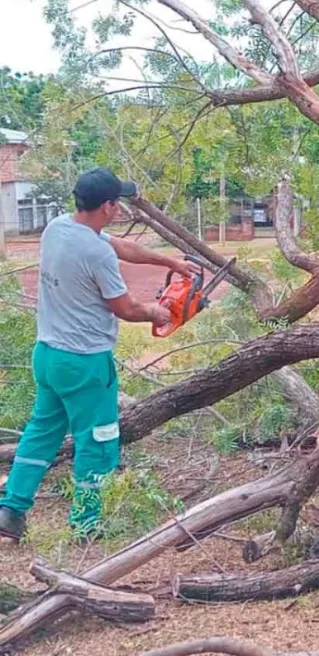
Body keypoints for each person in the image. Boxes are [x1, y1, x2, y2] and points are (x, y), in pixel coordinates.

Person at [0, 168, 193, 542]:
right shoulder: (96, 253)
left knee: (41, 434)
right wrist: (156, 312)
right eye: (116, 202)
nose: (119, 207)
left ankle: (11, 509)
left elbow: (120, 246)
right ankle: (87, 524)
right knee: (99, 440)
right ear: (107, 206)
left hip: (49, 355)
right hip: (86, 362)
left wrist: (169, 262)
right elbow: (124, 308)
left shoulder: (57, 228)